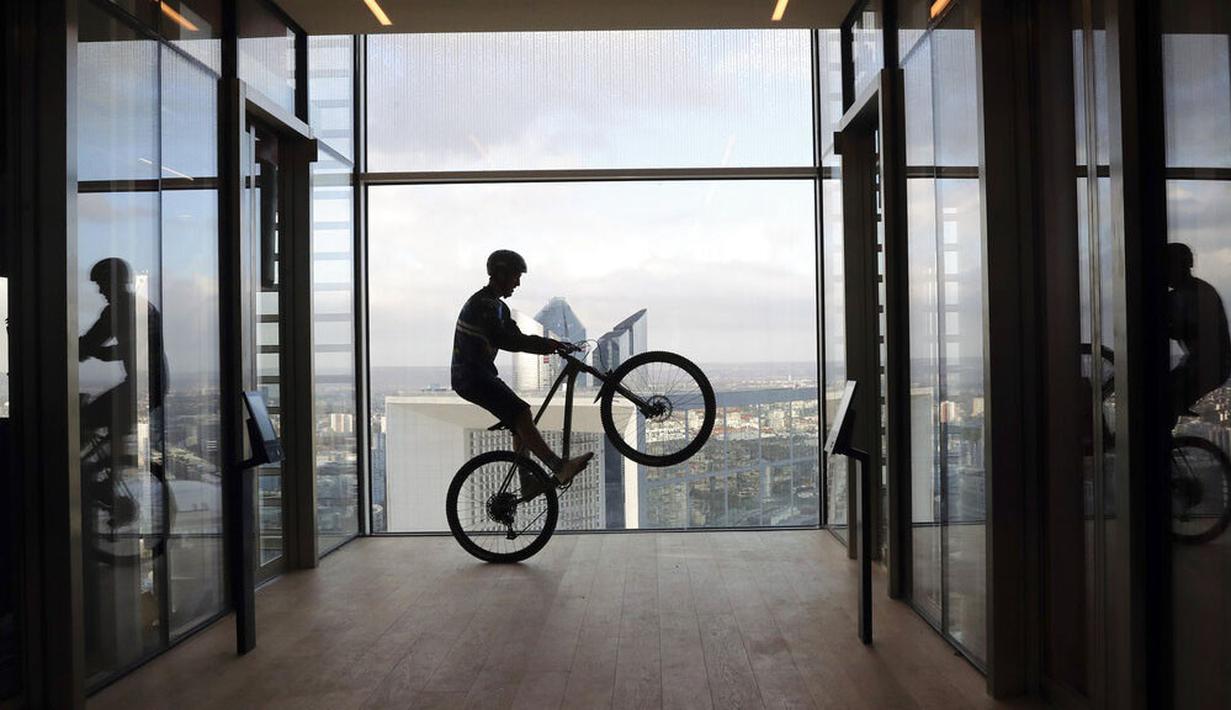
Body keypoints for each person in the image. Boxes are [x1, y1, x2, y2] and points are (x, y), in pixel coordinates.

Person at [451, 250, 593, 495]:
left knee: (520, 421)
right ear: (502, 274)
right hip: (473, 378)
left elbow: (517, 337)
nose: (518, 283)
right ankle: (558, 467)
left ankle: (527, 483)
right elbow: (509, 341)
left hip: (477, 377)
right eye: (516, 276)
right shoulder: (485, 305)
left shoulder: (496, 307)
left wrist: (554, 345)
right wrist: (549, 345)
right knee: (521, 412)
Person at [1167, 242, 1231, 426]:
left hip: (1206, 365)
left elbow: (1184, 329)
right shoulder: (1197, 291)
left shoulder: (1186, 295)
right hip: (1209, 365)